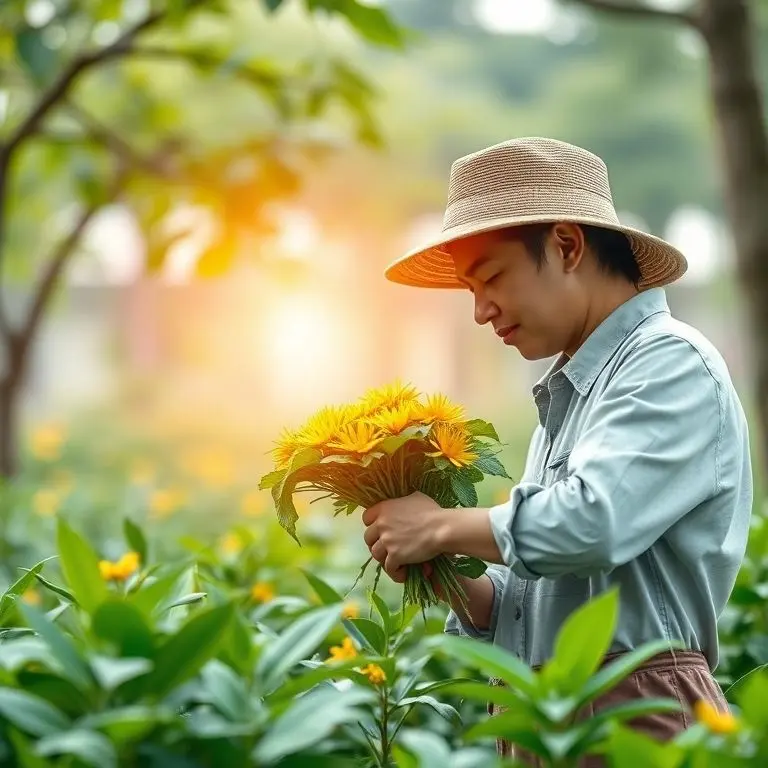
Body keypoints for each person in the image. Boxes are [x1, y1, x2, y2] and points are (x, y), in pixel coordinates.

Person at [360, 137, 753, 764]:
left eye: (491, 277)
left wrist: (438, 527)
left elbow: (590, 525)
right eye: (469, 289)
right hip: (545, 715)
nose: (482, 311)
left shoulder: (669, 364)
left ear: (567, 246)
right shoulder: (571, 395)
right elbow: (528, 605)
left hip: (635, 713)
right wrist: (441, 567)